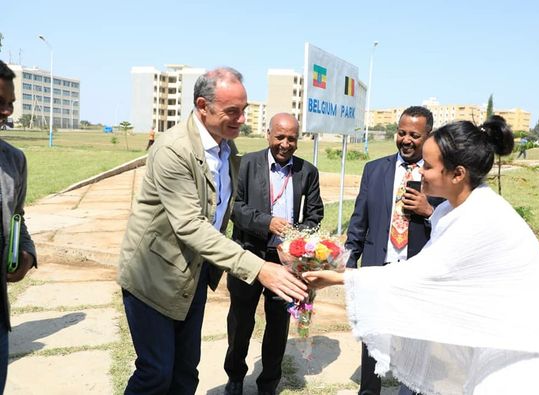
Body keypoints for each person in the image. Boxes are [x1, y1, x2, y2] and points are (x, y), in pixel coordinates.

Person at [303, 116, 539, 394]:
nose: (418, 172)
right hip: (503, 340)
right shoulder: (451, 209)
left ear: (457, 174)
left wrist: (340, 278)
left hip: (536, 353)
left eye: (427, 166)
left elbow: (419, 275)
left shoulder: (480, 216)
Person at [117, 67, 307, 395]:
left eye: (244, 110)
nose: (241, 119)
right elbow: (191, 225)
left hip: (194, 277)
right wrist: (258, 267)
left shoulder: (226, 150)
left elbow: (223, 207)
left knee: (185, 374)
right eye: (232, 111)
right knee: (155, 373)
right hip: (153, 277)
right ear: (203, 106)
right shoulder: (174, 148)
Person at [345, 106, 443, 395]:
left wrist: (428, 211)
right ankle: (369, 390)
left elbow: (454, 224)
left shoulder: (439, 174)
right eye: (402, 133)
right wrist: (350, 259)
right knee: (372, 335)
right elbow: (359, 220)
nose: (407, 140)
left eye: (415, 135)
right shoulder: (374, 170)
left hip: (418, 272)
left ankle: (409, 390)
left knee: (415, 339)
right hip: (378, 266)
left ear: (428, 136)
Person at [224, 113, 324, 395]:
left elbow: (315, 214)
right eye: (279, 137)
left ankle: (269, 382)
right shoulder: (246, 164)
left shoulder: (307, 171)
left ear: (298, 139)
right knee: (240, 322)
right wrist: (265, 222)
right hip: (248, 255)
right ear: (268, 135)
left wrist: (295, 239)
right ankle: (234, 376)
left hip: (287, 261)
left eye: (291, 138)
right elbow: (234, 208)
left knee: (278, 326)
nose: (285, 144)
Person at [0, 60, 37, 392]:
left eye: (10, 103)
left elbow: (17, 217)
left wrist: (27, 251)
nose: (7, 111)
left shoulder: (15, 160)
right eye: (0, 103)